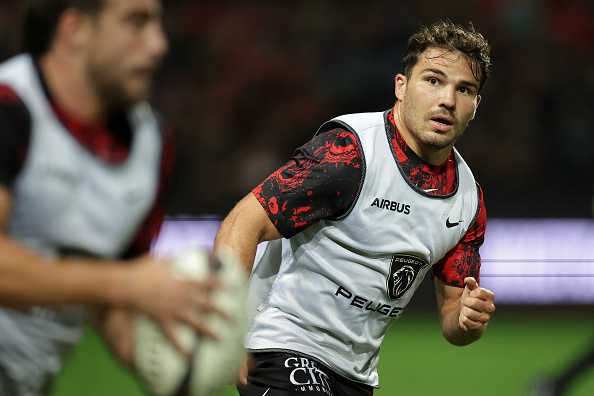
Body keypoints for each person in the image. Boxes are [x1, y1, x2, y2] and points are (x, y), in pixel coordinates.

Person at [214, 20, 496, 395]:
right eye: (433, 80)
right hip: (281, 344)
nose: (447, 99)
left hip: (356, 376)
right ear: (401, 86)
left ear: (475, 105)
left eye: (464, 89)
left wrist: (466, 322)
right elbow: (241, 225)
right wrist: (225, 332)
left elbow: (451, 316)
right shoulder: (349, 154)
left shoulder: (468, 202)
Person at [0, 1, 219, 395]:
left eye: (158, 23)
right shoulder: (8, 106)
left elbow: (108, 302)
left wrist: (192, 366)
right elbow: (118, 283)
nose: (159, 44)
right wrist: (128, 283)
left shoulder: (152, 145)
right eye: (137, 22)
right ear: (75, 30)